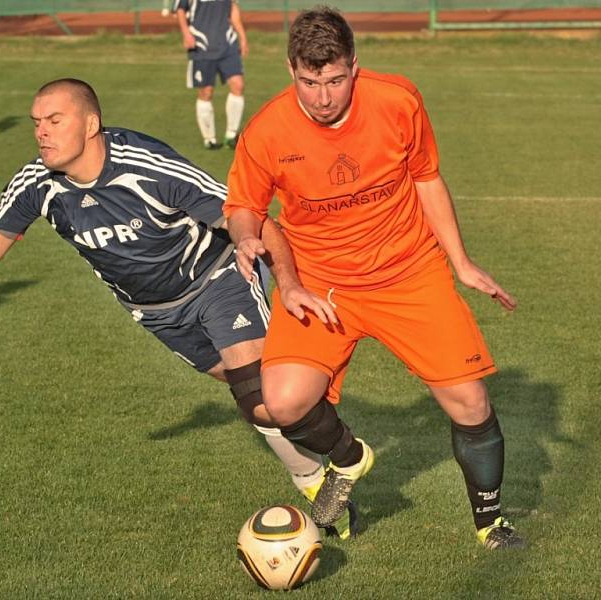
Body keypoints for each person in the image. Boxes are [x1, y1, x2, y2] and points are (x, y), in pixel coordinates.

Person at [0, 78, 360, 537]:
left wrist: (287, 280)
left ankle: (343, 464)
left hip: (217, 278)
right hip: (156, 313)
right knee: (257, 397)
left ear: (90, 124)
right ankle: (315, 441)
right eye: (37, 123)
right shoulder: (36, 183)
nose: (41, 132)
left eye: (54, 120)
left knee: (259, 399)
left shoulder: (147, 165)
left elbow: (245, 215)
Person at [224, 7, 525, 549]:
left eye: (335, 80)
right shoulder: (267, 130)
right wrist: (247, 237)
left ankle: (491, 522)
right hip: (322, 285)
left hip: (409, 272)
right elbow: (244, 206)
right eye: (309, 82)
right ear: (291, 68)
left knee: (471, 403)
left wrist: (460, 262)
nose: (322, 97)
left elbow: (427, 179)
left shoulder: (397, 101)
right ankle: (349, 458)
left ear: (354, 68)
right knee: (283, 403)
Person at [171, 0, 248, 150]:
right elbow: (180, 10)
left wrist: (242, 36)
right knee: (206, 92)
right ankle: (209, 138)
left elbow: (232, 9)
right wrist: (186, 34)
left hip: (227, 44)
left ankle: (231, 136)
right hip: (201, 45)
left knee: (238, 85)